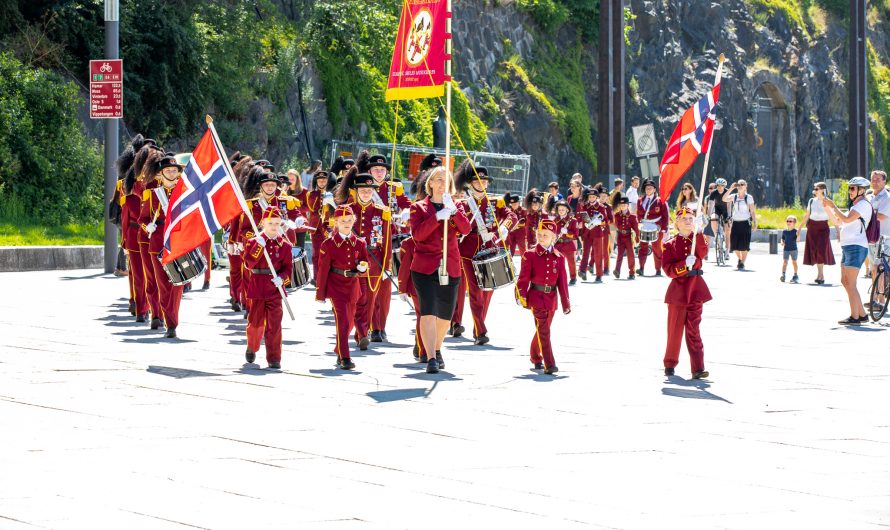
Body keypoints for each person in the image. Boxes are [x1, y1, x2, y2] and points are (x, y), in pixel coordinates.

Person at [409, 167, 472, 373]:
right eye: (438, 179)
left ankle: (436, 349)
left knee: (445, 315)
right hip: (425, 267)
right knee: (427, 312)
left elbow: (465, 229)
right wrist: (436, 218)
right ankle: (430, 358)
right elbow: (418, 235)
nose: (442, 183)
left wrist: (452, 211)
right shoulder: (418, 208)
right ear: (431, 184)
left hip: (450, 265)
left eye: (446, 180)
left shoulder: (456, 206)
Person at [455, 160, 517, 345]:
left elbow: (511, 216)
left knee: (488, 290)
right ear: (470, 183)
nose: (481, 184)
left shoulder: (494, 201)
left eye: (484, 181)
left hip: (489, 247)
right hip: (467, 251)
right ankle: (480, 331)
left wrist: (504, 228)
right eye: (477, 181)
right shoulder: (463, 203)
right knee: (474, 290)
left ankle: (477, 325)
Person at [341, 170, 393, 347]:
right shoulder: (347, 211)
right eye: (362, 189)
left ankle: (362, 333)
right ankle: (358, 330)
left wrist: (387, 266)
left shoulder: (382, 212)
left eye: (369, 190)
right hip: (351, 260)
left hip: (374, 260)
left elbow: (386, 242)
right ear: (356, 191)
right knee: (353, 299)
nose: (366, 193)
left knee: (369, 300)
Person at [315, 205, 370, 369]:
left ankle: (339, 348)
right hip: (336, 285)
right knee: (343, 322)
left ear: (354, 221)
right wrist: (320, 293)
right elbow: (323, 270)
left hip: (353, 285)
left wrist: (363, 268)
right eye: (342, 221)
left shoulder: (359, 243)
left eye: (349, 220)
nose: (346, 223)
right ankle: (345, 358)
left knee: (351, 321)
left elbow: (364, 261)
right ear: (336, 222)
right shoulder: (329, 244)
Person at [515, 219, 571, 375]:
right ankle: (549, 363)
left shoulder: (559, 257)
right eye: (539, 234)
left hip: (551, 299)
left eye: (545, 235)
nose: (541, 237)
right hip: (536, 297)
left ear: (553, 237)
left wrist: (566, 303)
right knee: (544, 330)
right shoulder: (530, 254)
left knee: (542, 330)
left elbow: (563, 283)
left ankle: (535, 356)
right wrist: (521, 294)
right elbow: (523, 278)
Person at [139, 153, 185, 338]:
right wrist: (147, 226)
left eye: (174, 170)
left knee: (178, 283)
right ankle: (170, 322)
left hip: (179, 240)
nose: (172, 173)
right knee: (163, 284)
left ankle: (172, 319)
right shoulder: (152, 194)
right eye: (168, 170)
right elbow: (142, 218)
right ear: (161, 173)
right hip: (158, 241)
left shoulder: (184, 192)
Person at [662, 207, 711, 379]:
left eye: (691, 218)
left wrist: (698, 233)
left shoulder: (697, 239)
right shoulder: (669, 245)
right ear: (676, 223)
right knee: (674, 329)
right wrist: (683, 265)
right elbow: (668, 270)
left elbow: (703, 253)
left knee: (693, 329)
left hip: (695, 288)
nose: (688, 221)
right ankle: (669, 363)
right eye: (684, 219)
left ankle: (698, 368)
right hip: (678, 291)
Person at [242, 206, 292, 369]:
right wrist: (258, 247)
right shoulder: (253, 242)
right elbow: (248, 264)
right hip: (257, 285)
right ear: (263, 222)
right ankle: (253, 345)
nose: (274, 227)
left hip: (275, 289)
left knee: (274, 325)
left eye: (277, 223)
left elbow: (287, 269)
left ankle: (274, 358)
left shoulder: (285, 245)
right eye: (270, 223)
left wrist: (282, 278)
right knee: (255, 323)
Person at [822, 176, 873, 325]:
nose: (850, 191)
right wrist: (828, 207)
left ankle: (855, 317)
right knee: (845, 281)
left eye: (853, 188)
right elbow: (839, 221)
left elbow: (846, 219)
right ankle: (862, 314)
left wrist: (833, 205)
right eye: (849, 188)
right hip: (849, 246)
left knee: (850, 283)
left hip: (856, 247)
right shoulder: (855, 206)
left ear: (861, 190)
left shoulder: (863, 205)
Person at [799, 181, 835, 284]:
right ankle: (819, 274)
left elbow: (833, 216)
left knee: (821, 250)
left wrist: (838, 230)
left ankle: (821, 274)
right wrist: (799, 228)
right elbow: (807, 216)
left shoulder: (828, 201)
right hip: (812, 227)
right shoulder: (811, 201)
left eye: (816, 189)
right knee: (815, 250)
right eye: (814, 189)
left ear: (822, 190)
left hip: (823, 227)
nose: (814, 191)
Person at [578, 188, 613, 282]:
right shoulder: (585, 206)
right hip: (587, 233)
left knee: (598, 254)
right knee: (585, 253)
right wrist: (584, 225)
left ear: (597, 197)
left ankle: (599, 274)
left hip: (597, 234)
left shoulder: (601, 207)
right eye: (590, 196)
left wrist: (599, 222)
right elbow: (583, 218)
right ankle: (582, 270)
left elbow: (606, 221)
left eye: (593, 196)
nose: (591, 198)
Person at [636, 179, 669, 276]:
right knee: (643, 248)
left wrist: (663, 228)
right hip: (644, 226)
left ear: (654, 189)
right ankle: (641, 268)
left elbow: (665, 215)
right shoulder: (640, 200)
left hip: (656, 227)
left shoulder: (660, 201)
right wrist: (639, 224)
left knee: (657, 248)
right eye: (647, 188)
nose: (648, 189)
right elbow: (638, 214)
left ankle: (658, 269)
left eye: (650, 188)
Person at [307, 170, 336, 279]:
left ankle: (329, 275)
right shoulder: (311, 194)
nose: (322, 182)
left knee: (329, 252)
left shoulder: (332, 193)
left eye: (324, 180)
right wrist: (322, 197)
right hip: (315, 226)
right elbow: (312, 208)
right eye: (319, 180)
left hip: (328, 225)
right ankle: (317, 277)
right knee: (316, 253)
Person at [723, 179, 757, 270]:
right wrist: (730, 188)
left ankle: (742, 263)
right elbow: (724, 199)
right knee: (734, 245)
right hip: (736, 223)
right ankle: (740, 259)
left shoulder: (749, 197)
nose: (740, 186)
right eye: (739, 184)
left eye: (742, 184)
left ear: (746, 186)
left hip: (745, 222)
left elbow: (752, 211)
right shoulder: (734, 196)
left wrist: (755, 222)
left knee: (745, 244)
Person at [868, 171, 890, 298]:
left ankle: (880, 300)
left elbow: (881, 216)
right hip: (872, 238)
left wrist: (866, 213)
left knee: (880, 268)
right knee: (873, 269)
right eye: (873, 179)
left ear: (884, 182)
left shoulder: (887, 198)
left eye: (878, 179)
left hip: (885, 238)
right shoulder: (870, 197)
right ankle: (874, 298)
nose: (874, 181)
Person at [553, 200, 580, 285]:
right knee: (556, 262)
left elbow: (575, 235)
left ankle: (573, 278)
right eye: (559, 209)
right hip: (558, 244)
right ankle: (557, 278)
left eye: (563, 209)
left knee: (571, 263)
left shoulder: (573, 220)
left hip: (568, 244)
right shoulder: (555, 220)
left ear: (567, 210)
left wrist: (567, 232)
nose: (561, 211)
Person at [613, 197, 640, 279]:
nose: (623, 206)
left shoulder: (632, 216)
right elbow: (617, 225)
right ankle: (617, 271)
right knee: (619, 254)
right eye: (621, 205)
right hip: (620, 236)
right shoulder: (617, 215)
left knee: (630, 255)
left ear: (628, 205)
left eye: (624, 205)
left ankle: (632, 273)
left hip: (628, 236)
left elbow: (636, 227)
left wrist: (637, 237)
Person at [707, 178, 731, 258]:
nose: (720, 187)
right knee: (713, 218)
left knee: (727, 231)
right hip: (717, 209)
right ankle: (716, 234)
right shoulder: (713, 193)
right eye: (718, 186)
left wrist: (729, 216)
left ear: (724, 186)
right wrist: (708, 215)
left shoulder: (727, 192)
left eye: (722, 186)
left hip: (725, 210)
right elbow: (710, 205)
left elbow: (729, 206)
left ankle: (727, 250)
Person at [781, 216, 800, 283]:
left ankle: (795, 275)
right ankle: (783, 274)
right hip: (786, 249)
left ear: (794, 223)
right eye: (787, 221)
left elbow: (798, 240)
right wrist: (782, 242)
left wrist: (798, 235)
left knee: (794, 262)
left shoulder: (795, 231)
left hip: (793, 249)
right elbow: (782, 238)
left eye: (790, 221)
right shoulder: (784, 231)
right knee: (785, 262)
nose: (788, 222)